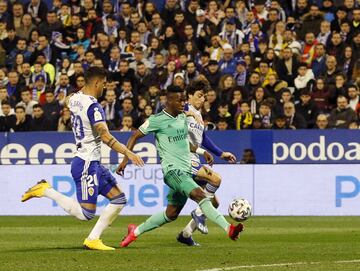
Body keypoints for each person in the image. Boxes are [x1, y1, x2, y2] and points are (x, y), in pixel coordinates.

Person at [21, 67, 144, 251]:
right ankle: (46, 190)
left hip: (93, 162)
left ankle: (93, 239)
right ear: (96, 83)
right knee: (85, 213)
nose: (105, 87)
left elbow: (67, 100)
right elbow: (105, 136)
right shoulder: (94, 107)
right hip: (86, 163)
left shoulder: (75, 99)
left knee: (119, 199)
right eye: (103, 84)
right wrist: (128, 152)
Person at [117, 85, 244, 248]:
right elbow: (135, 136)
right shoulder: (157, 120)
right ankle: (229, 229)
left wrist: (200, 151)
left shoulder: (182, 118)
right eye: (180, 100)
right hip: (173, 171)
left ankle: (134, 232)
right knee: (201, 195)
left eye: (184, 100)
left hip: (185, 171)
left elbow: (184, 143)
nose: (183, 103)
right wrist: (125, 159)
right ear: (169, 100)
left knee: (171, 214)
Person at [177, 81, 237, 245]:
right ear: (189, 96)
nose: (202, 99)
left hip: (195, 160)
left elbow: (203, 138)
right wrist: (187, 114)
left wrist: (221, 153)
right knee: (216, 179)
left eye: (204, 96)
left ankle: (186, 233)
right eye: (199, 95)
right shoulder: (182, 110)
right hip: (184, 160)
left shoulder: (199, 115)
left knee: (214, 203)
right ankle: (198, 213)